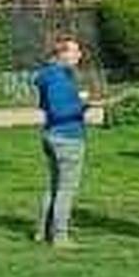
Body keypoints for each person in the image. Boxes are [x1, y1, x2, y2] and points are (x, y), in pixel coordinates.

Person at [31, 34, 94, 245]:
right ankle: (60, 235)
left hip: (52, 135)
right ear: (61, 53)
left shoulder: (50, 75)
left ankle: (42, 231)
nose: (79, 55)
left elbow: (44, 106)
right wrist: (82, 105)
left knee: (54, 186)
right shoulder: (58, 77)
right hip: (67, 137)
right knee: (66, 189)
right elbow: (59, 111)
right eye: (74, 51)